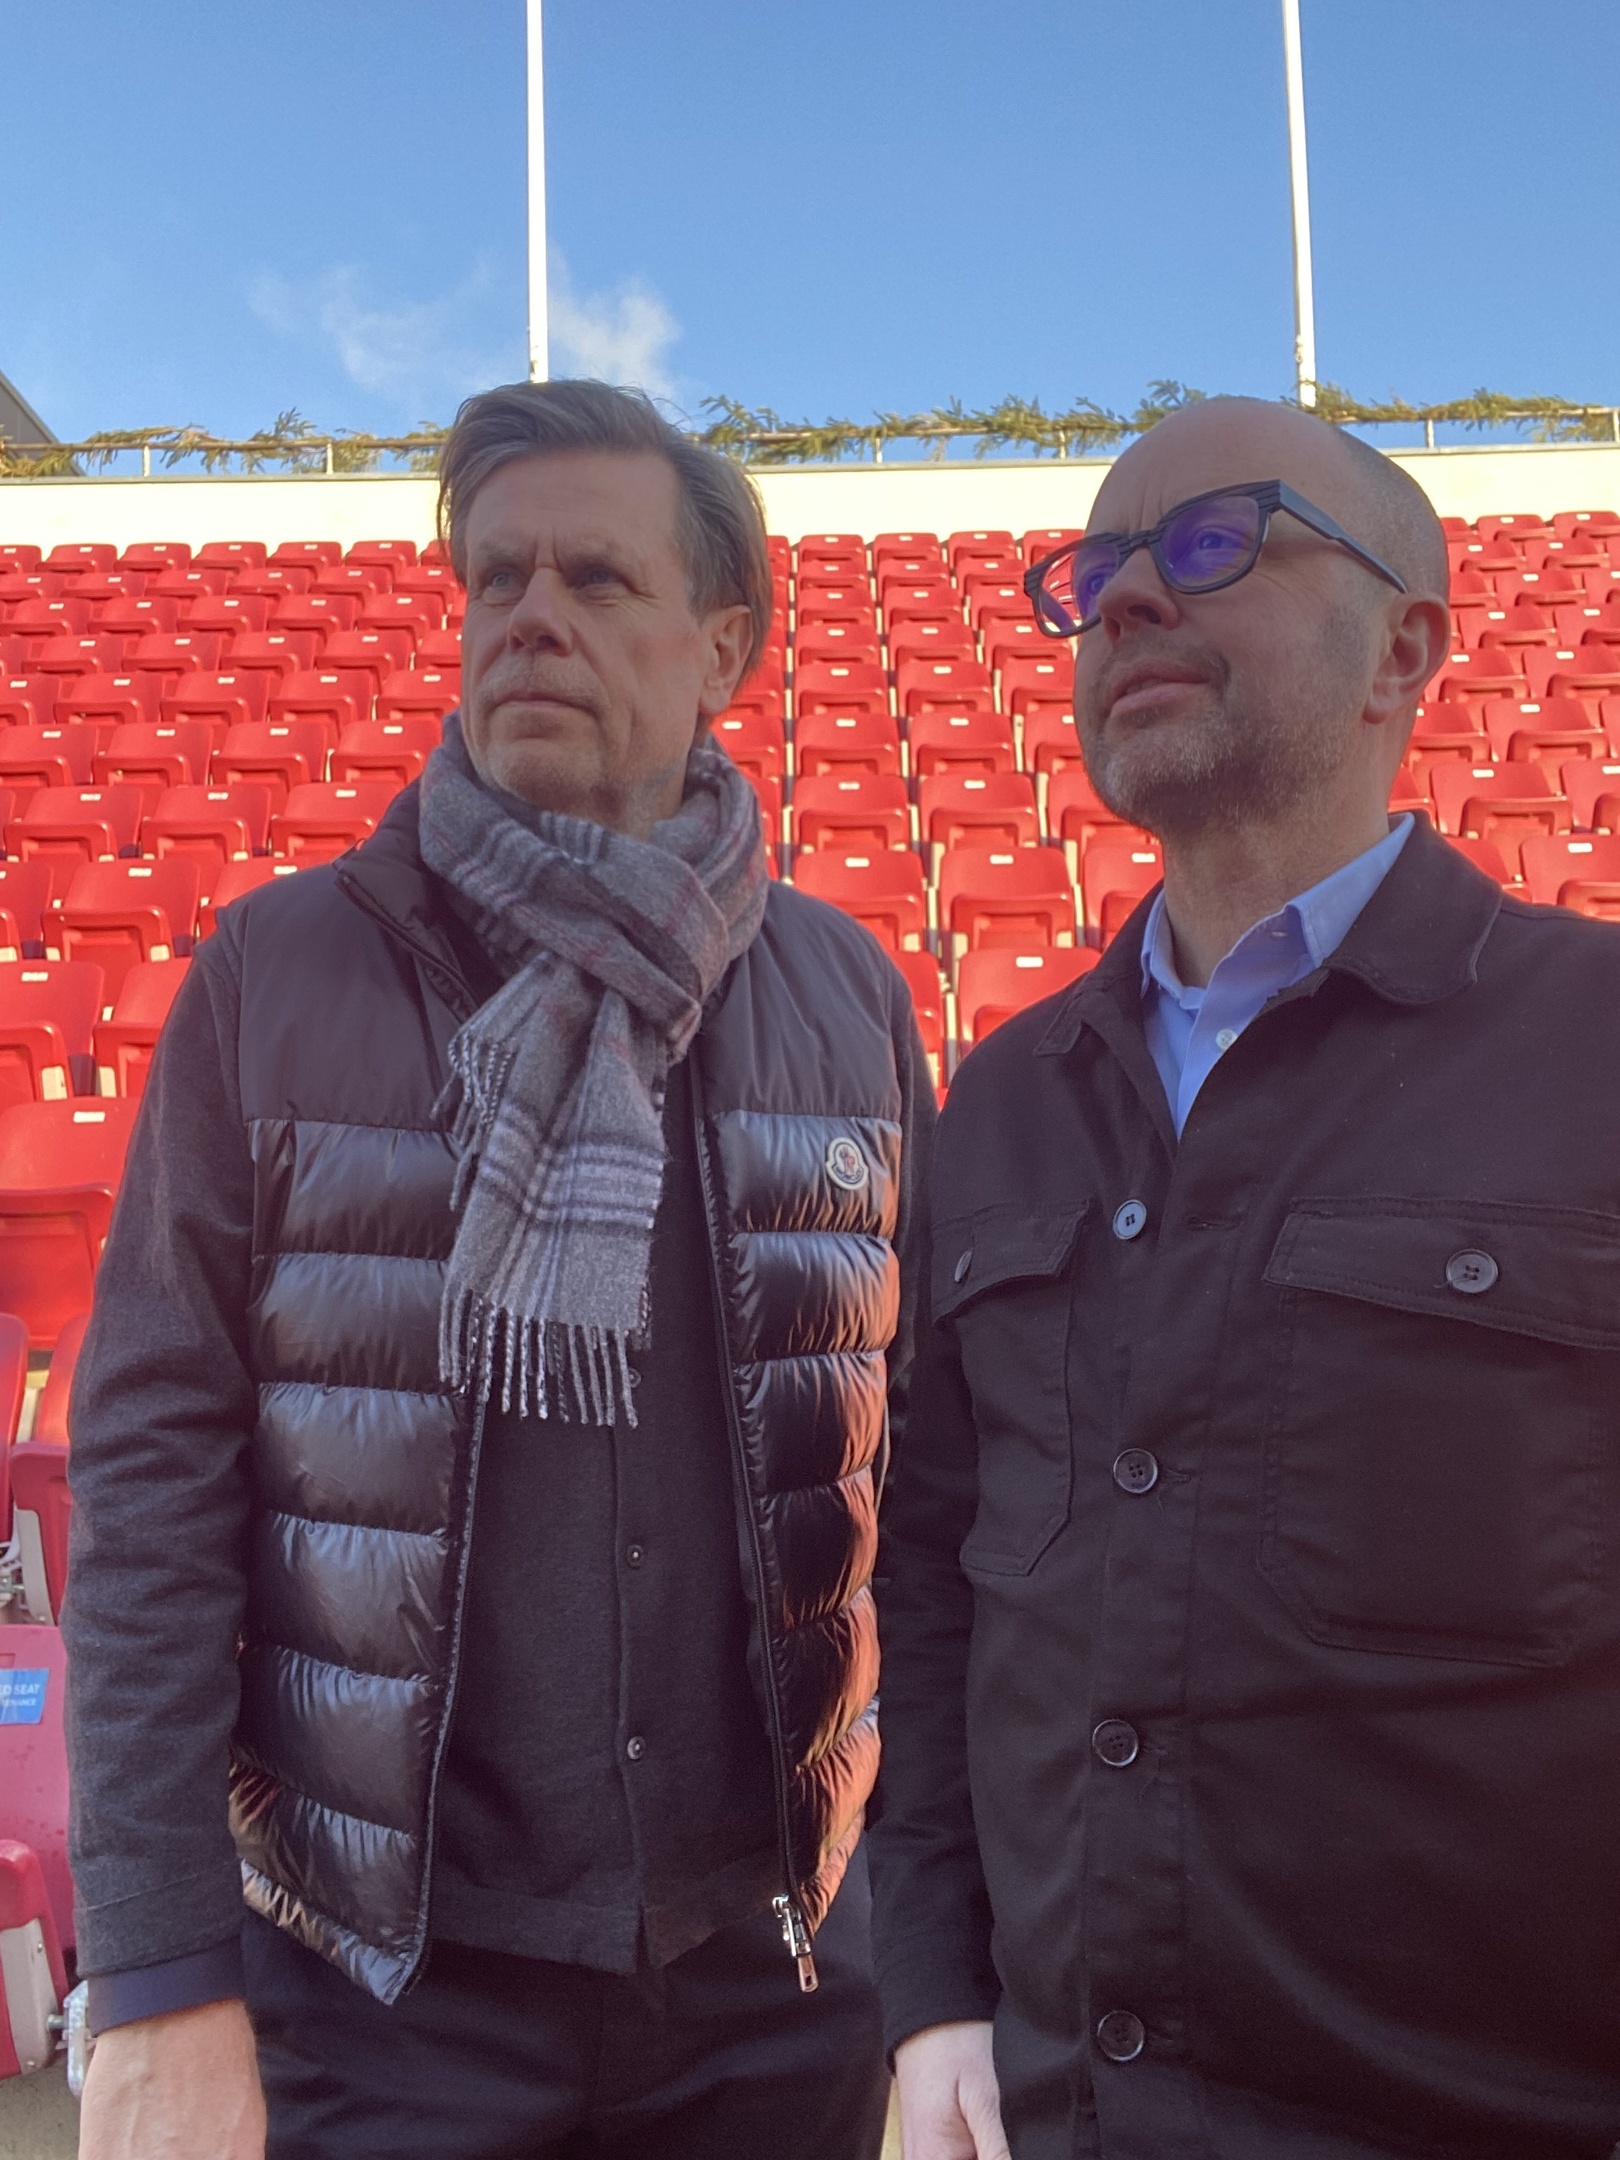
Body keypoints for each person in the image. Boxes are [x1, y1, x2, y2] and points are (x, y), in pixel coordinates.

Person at [65, 377, 931, 2159]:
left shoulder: (846, 995)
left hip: (777, 1979)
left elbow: (921, 1464)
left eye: (596, 580)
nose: (527, 616)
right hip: (376, 1994)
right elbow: (151, 1486)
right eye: (494, 579)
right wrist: (158, 1971)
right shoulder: (274, 975)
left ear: (725, 647)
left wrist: (935, 1927)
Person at [871, 395, 1620, 2159]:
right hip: (1060, 2111)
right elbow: (942, 1581)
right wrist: (936, 1992)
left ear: (1403, 651)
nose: (1128, 598)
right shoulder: (1007, 1098)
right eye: (1098, 572)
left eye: (1214, 544)